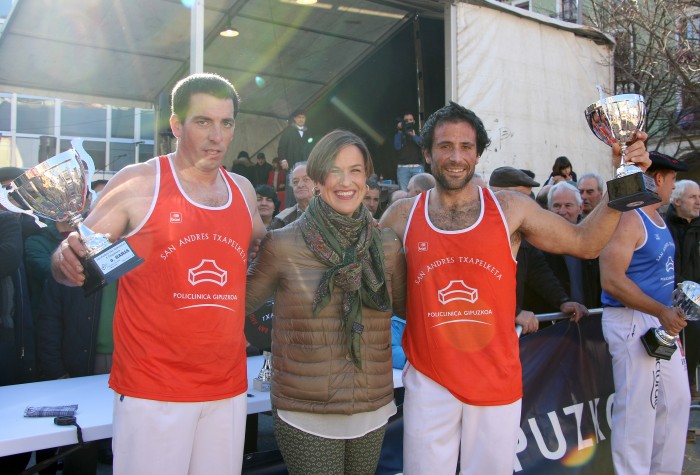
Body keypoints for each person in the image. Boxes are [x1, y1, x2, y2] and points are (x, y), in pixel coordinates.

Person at [379, 101, 650, 475]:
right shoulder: (401, 215)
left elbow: (586, 243)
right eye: (445, 146)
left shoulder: (510, 208)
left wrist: (624, 176)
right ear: (427, 153)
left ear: (478, 153)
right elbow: (380, 289)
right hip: (429, 379)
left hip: (496, 380)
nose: (456, 157)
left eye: (466, 147)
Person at [50, 72, 266, 475]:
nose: (217, 136)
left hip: (228, 387)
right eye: (203, 122)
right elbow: (75, 265)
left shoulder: (243, 191)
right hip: (154, 389)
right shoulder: (138, 183)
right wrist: (64, 255)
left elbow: (266, 249)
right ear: (176, 125)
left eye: (227, 122)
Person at [246, 129, 406, 475]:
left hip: (372, 405)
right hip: (306, 410)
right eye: (334, 170)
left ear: (366, 179)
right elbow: (236, 307)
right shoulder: (282, 243)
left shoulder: (387, 244)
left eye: (355, 170)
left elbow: (410, 310)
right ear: (317, 178)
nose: (345, 181)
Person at [600, 151, 690, 474]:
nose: (674, 187)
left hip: (658, 320)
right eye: (673, 180)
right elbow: (610, 279)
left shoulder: (659, 218)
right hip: (630, 319)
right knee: (637, 414)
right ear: (659, 179)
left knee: (677, 402)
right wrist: (660, 311)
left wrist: (672, 309)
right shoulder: (629, 217)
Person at [488, 167, 587, 335]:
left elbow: (538, 270)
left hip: (513, 335)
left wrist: (562, 301)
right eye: (522, 199)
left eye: (530, 199)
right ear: (498, 196)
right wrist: (515, 312)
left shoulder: (523, 233)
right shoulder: (479, 232)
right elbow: (480, 283)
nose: (529, 207)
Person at [664, 178, 700, 398]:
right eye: (693, 197)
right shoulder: (664, 228)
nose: (698, 202)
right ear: (677, 201)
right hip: (673, 305)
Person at [542, 182, 601, 309]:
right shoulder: (540, 243)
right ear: (549, 208)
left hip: (590, 317)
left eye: (568, 205)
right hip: (556, 320)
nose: (562, 211)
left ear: (580, 208)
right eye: (557, 205)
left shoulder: (592, 239)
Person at [269, 162, 312, 230]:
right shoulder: (282, 220)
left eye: (306, 179)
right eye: (295, 182)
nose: (300, 185)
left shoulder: (331, 212)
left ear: (318, 184)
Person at [394, 112, 424, 191]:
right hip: (403, 168)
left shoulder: (419, 133)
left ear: (414, 121)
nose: (408, 122)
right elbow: (397, 147)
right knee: (404, 194)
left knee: (420, 193)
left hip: (417, 167)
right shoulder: (400, 134)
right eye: (406, 120)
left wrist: (414, 136)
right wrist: (400, 131)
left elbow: (422, 145)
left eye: (410, 120)